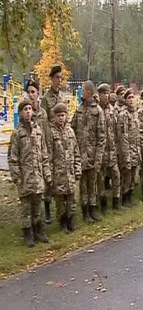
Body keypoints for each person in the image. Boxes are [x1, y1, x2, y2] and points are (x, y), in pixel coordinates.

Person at [8, 99, 52, 247]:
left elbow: (44, 154)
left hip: (38, 177)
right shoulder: (17, 133)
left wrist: (46, 173)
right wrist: (17, 179)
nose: (28, 111)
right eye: (25, 109)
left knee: (37, 207)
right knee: (26, 208)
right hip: (25, 178)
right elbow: (13, 159)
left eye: (29, 109)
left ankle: (38, 231)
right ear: (20, 113)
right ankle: (27, 234)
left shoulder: (38, 130)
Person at [71, 81, 106, 222]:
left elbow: (102, 137)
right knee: (83, 186)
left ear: (89, 92)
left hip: (92, 155)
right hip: (80, 155)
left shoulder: (98, 111)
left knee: (92, 184)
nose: (82, 93)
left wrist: (98, 158)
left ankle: (93, 208)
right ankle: (85, 210)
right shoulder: (78, 110)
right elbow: (72, 129)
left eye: (84, 90)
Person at [48, 103, 81, 233]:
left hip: (70, 173)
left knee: (71, 199)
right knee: (60, 201)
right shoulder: (51, 132)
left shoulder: (70, 131)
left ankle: (70, 219)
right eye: (59, 116)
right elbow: (48, 156)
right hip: (58, 174)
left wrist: (77, 169)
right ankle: (62, 222)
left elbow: (76, 152)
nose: (61, 118)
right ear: (54, 117)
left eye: (63, 115)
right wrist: (50, 175)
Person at [40, 65, 66, 224]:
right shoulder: (46, 99)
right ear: (51, 79)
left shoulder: (62, 97)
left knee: (62, 172)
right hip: (50, 139)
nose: (59, 81)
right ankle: (48, 206)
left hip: (61, 140)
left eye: (61, 78)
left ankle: (62, 207)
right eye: (57, 78)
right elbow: (43, 120)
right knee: (50, 174)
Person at [97, 83, 121, 211]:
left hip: (112, 150)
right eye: (104, 93)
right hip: (101, 152)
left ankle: (116, 201)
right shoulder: (96, 111)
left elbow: (116, 130)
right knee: (100, 180)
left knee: (116, 176)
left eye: (108, 93)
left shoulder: (112, 110)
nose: (106, 96)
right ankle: (103, 203)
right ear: (99, 94)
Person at [117, 88, 141, 206]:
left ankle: (131, 195)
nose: (131, 100)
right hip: (127, 150)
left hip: (135, 149)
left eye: (133, 97)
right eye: (129, 98)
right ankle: (125, 197)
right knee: (126, 175)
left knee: (132, 175)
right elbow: (123, 137)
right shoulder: (123, 115)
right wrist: (126, 154)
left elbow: (138, 133)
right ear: (125, 100)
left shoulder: (136, 113)